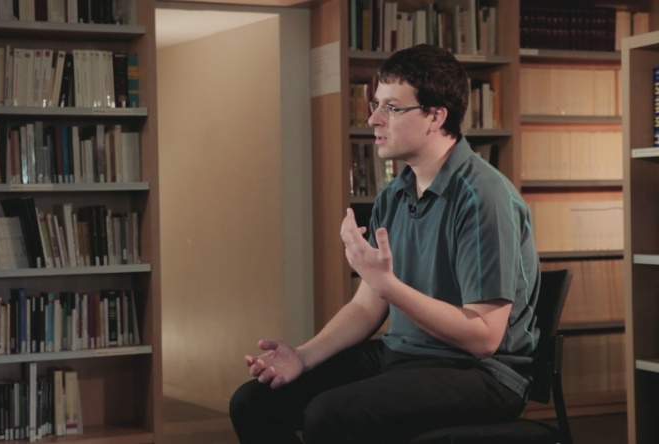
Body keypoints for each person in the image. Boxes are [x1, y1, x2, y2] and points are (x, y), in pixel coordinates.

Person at [229, 43, 541, 444]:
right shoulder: (393, 194)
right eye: (376, 104)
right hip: (405, 356)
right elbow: (366, 305)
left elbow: (483, 337)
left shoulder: (483, 198)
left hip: (480, 374)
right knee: (253, 402)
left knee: (331, 415)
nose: (374, 119)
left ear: (435, 116)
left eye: (392, 108)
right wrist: (303, 357)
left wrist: (389, 286)